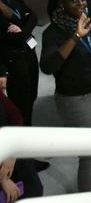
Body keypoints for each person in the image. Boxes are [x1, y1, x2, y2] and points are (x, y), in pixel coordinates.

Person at [39, 0, 91, 192]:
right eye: (74, 0)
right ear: (61, 3)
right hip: (75, 98)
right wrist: (76, 36)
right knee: (90, 154)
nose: (80, 4)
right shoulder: (53, 32)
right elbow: (48, 66)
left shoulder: (83, 20)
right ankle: (89, 195)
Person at [0, 0, 38, 126]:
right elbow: (9, 38)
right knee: (21, 104)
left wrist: (22, 30)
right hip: (13, 62)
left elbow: (34, 16)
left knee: (31, 97)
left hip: (29, 53)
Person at [0, 71, 43, 200]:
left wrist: (11, 154)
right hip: (4, 169)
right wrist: (3, 179)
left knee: (34, 190)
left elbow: (15, 115)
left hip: (12, 152)